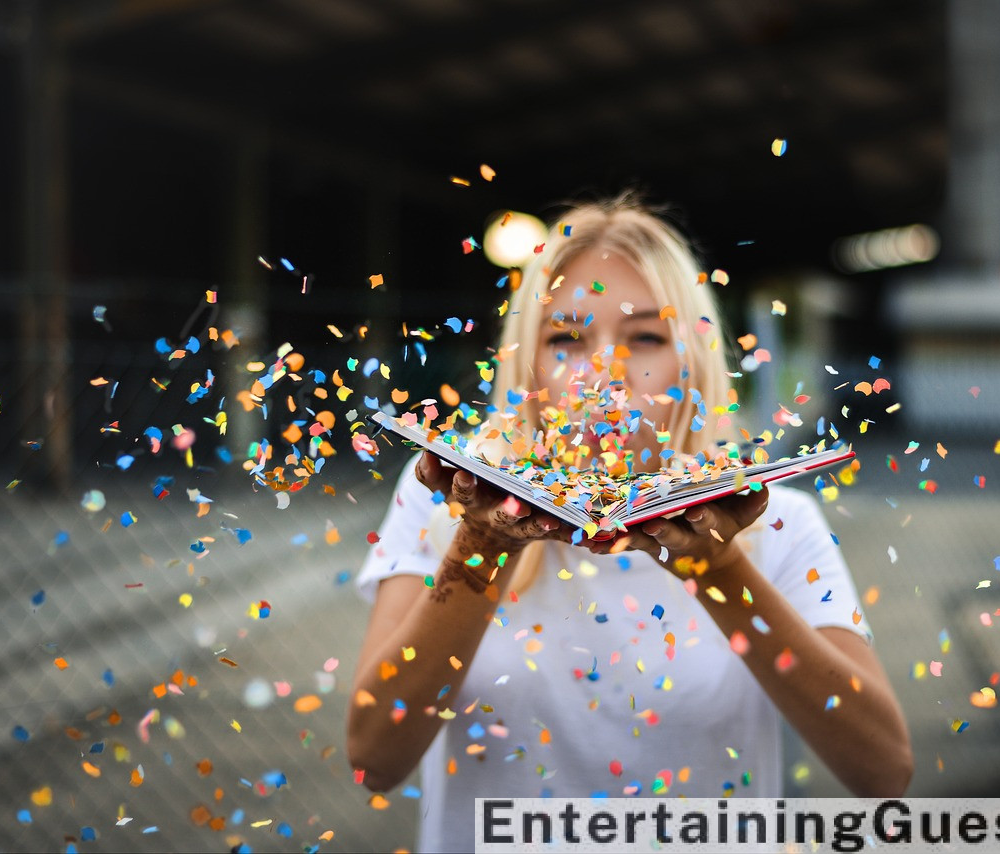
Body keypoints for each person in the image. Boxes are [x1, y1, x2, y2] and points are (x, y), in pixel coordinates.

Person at [347, 193, 912, 852]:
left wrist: (720, 571)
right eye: (565, 338)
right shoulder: (442, 504)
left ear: (692, 364)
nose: (603, 375)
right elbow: (374, 760)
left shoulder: (776, 522)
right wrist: (483, 546)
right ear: (527, 364)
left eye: (645, 337)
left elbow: (882, 771)